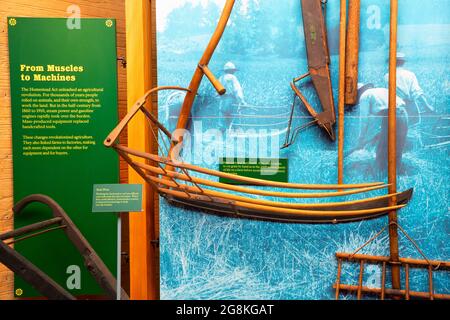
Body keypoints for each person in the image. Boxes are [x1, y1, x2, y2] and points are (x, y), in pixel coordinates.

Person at [350, 83, 408, 173]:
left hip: (392, 116)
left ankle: (380, 176)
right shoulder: (381, 90)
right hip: (404, 114)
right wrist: (376, 135)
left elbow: (364, 120)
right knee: (398, 149)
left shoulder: (364, 96)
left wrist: (361, 140)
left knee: (381, 151)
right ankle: (397, 176)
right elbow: (381, 116)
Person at [384, 52, 434, 125]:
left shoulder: (387, 76)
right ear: (403, 63)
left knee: (396, 132)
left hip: (395, 108)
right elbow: (417, 92)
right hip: (410, 107)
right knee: (413, 131)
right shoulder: (410, 75)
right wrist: (427, 106)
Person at [217, 62, 247, 131]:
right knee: (235, 119)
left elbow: (217, 92)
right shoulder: (233, 78)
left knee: (222, 119)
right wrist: (242, 102)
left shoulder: (221, 78)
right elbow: (237, 90)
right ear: (231, 70)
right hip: (232, 101)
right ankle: (235, 135)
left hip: (223, 101)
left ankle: (222, 137)